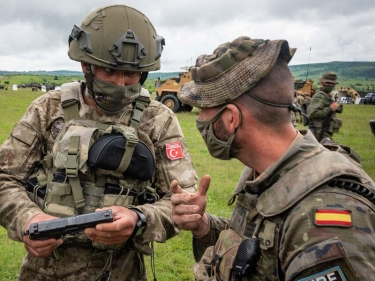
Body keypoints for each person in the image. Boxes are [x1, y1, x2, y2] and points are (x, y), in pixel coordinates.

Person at [0, 4, 198, 281]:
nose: (120, 83)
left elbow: (183, 201)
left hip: (122, 271)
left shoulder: (158, 120)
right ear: (86, 66)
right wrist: (27, 219)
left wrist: (140, 218)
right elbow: (4, 178)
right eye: (109, 72)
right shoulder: (48, 110)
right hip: (44, 272)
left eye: (131, 74)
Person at [170, 36, 375, 280]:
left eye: (204, 109)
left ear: (231, 118)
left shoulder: (323, 214)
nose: (200, 120)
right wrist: (203, 225)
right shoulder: (269, 173)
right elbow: (258, 252)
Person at [307, 71, 342, 142]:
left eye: (332, 84)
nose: (330, 85)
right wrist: (330, 108)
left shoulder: (327, 96)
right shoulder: (320, 96)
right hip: (318, 134)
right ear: (322, 83)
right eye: (328, 83)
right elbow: (312, 113)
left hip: (324, 133)